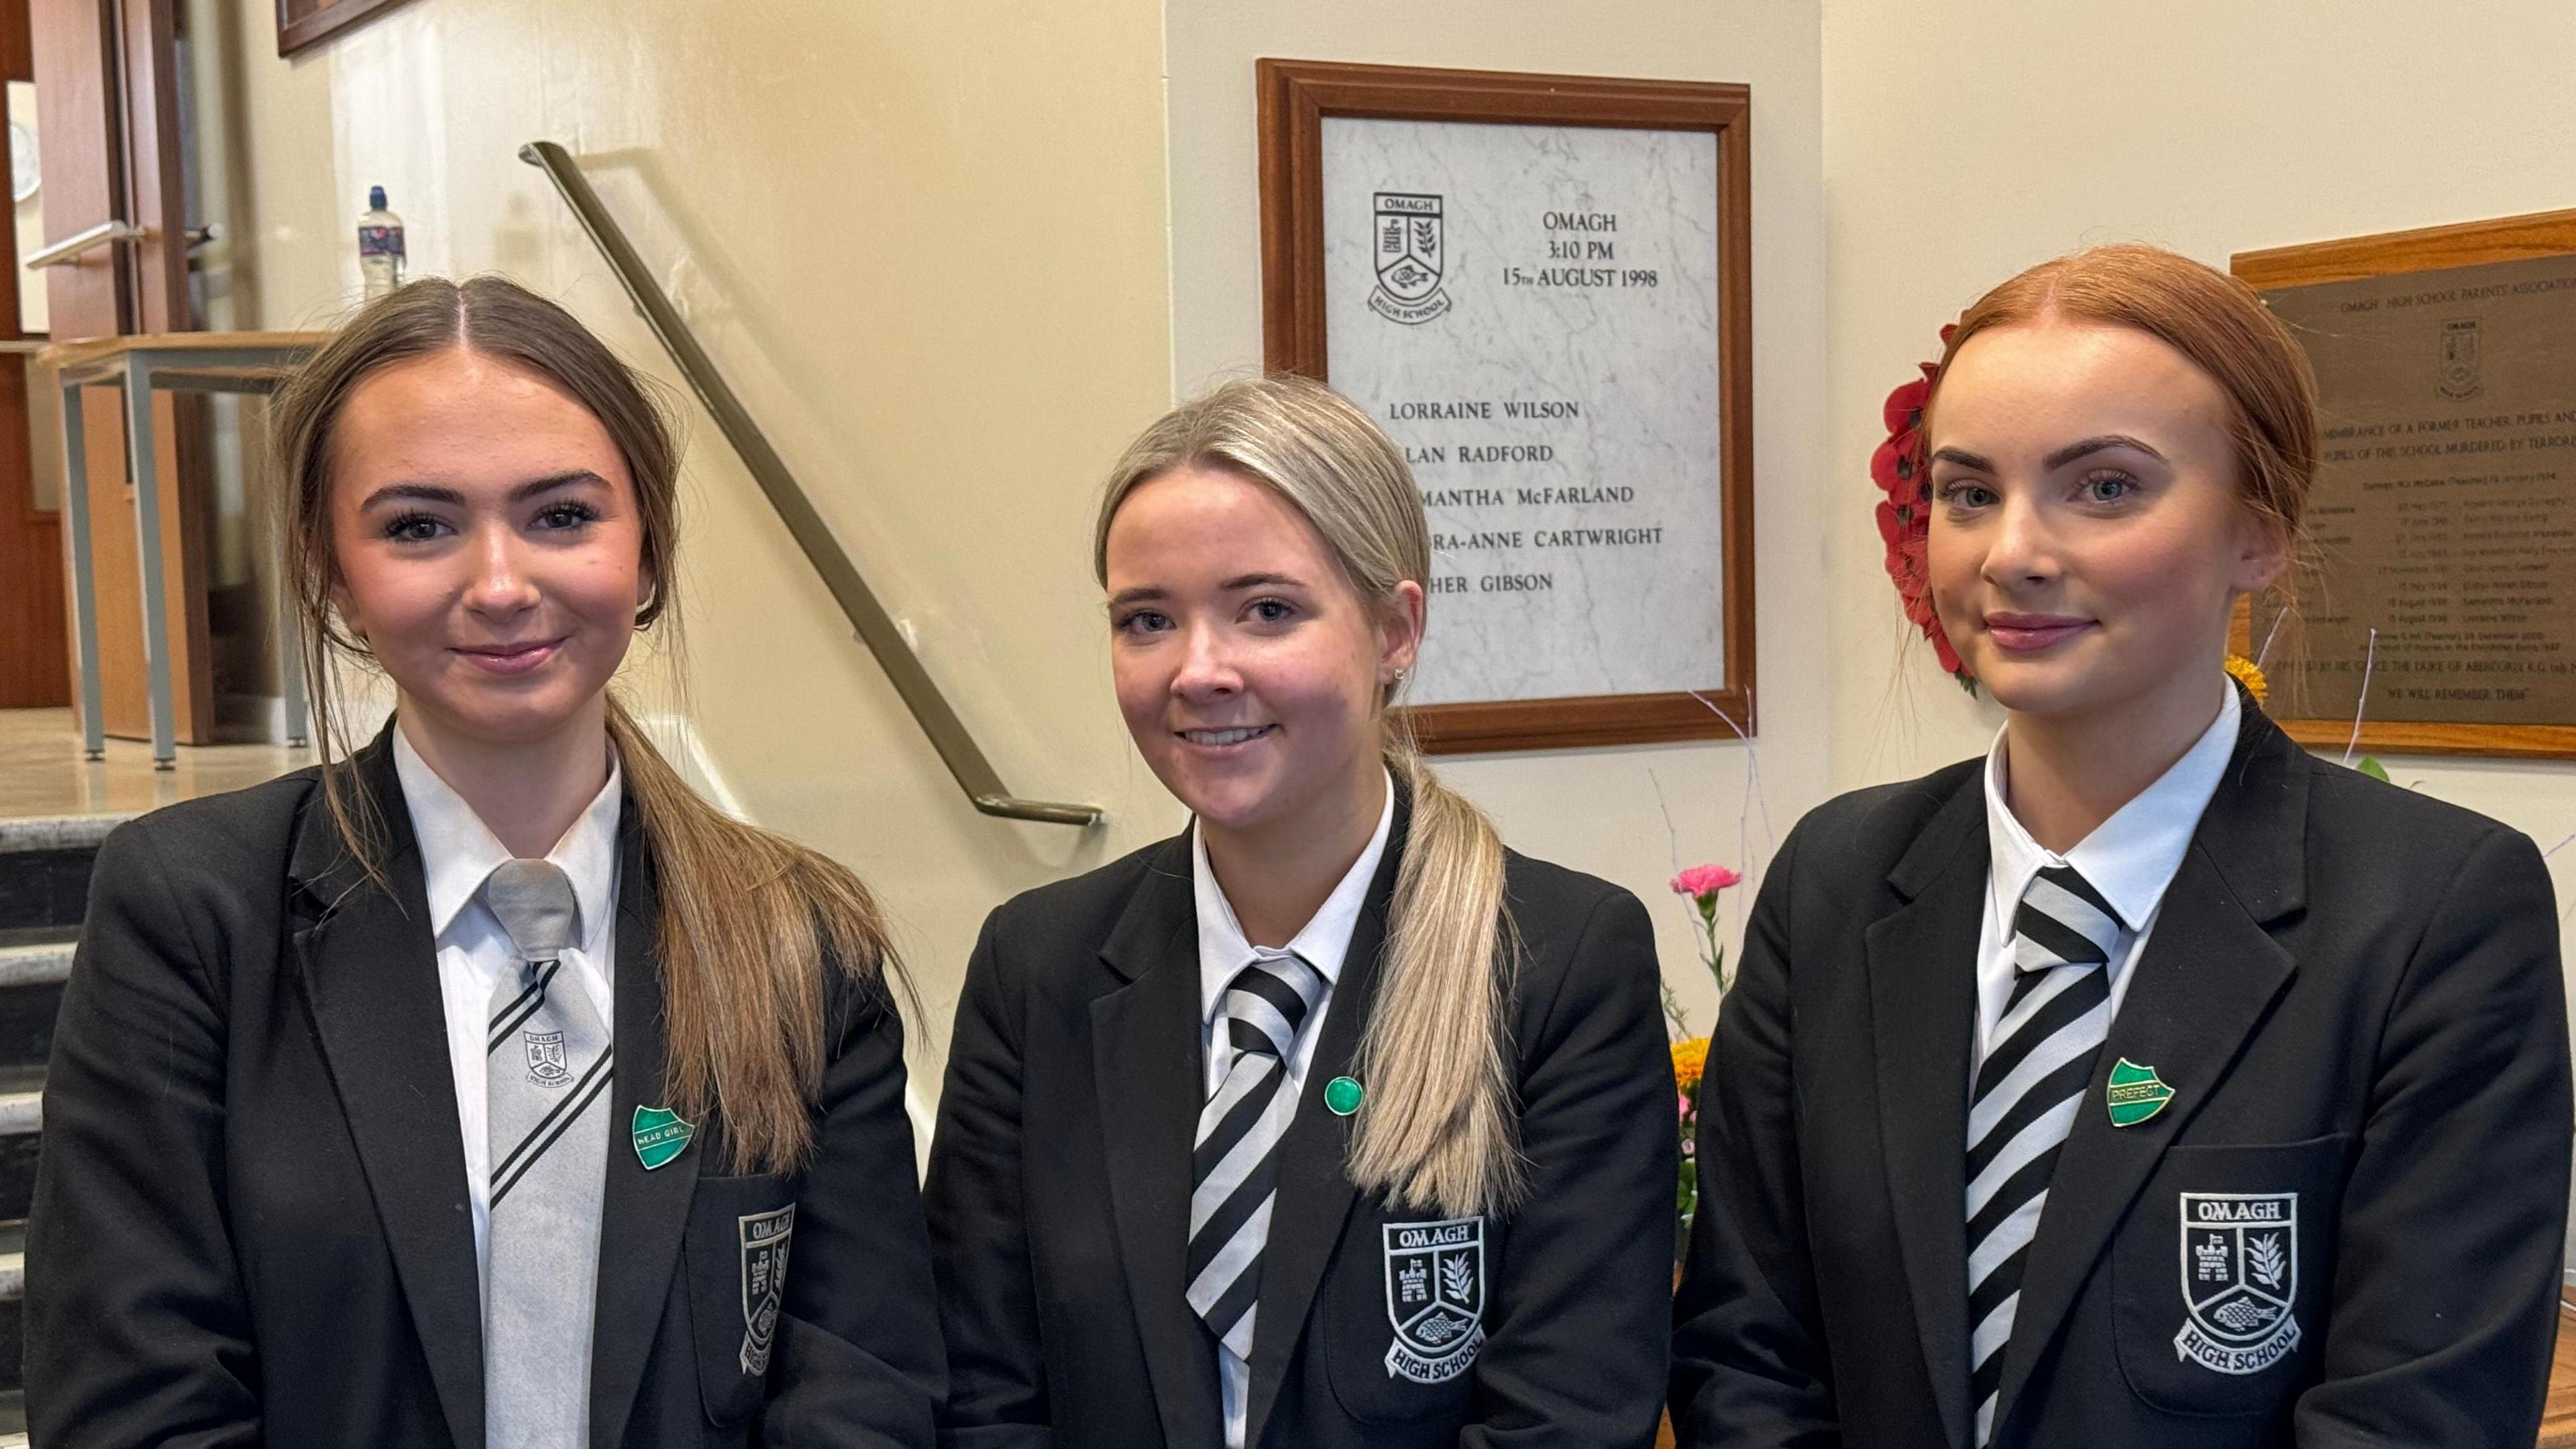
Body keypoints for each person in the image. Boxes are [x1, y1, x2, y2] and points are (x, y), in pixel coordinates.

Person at [1671, 244, 2571, 1448]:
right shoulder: (1836, 880)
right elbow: (1748, 1355)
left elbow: (2417, 1416)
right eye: (1970, 492)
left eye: (2104, 488)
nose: (2014, 554)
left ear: (2260, 534)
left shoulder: (2434, 910)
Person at [25, 276, 943, 1447]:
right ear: (328, 572)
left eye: (563, 515)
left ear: (649, 551)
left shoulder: (797, 938)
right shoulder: (194, 912)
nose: (502, 585)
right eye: (419, 526)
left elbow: (865, 1384)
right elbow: (131, 1399)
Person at [925, 376, 1676, 1449]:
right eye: (1147, 620)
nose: (1198, 671)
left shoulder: (1557, 965)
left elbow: (1567, 1414)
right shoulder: (1039, 965)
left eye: (1267, 610)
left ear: (1395, 630)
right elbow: (984, 1395)